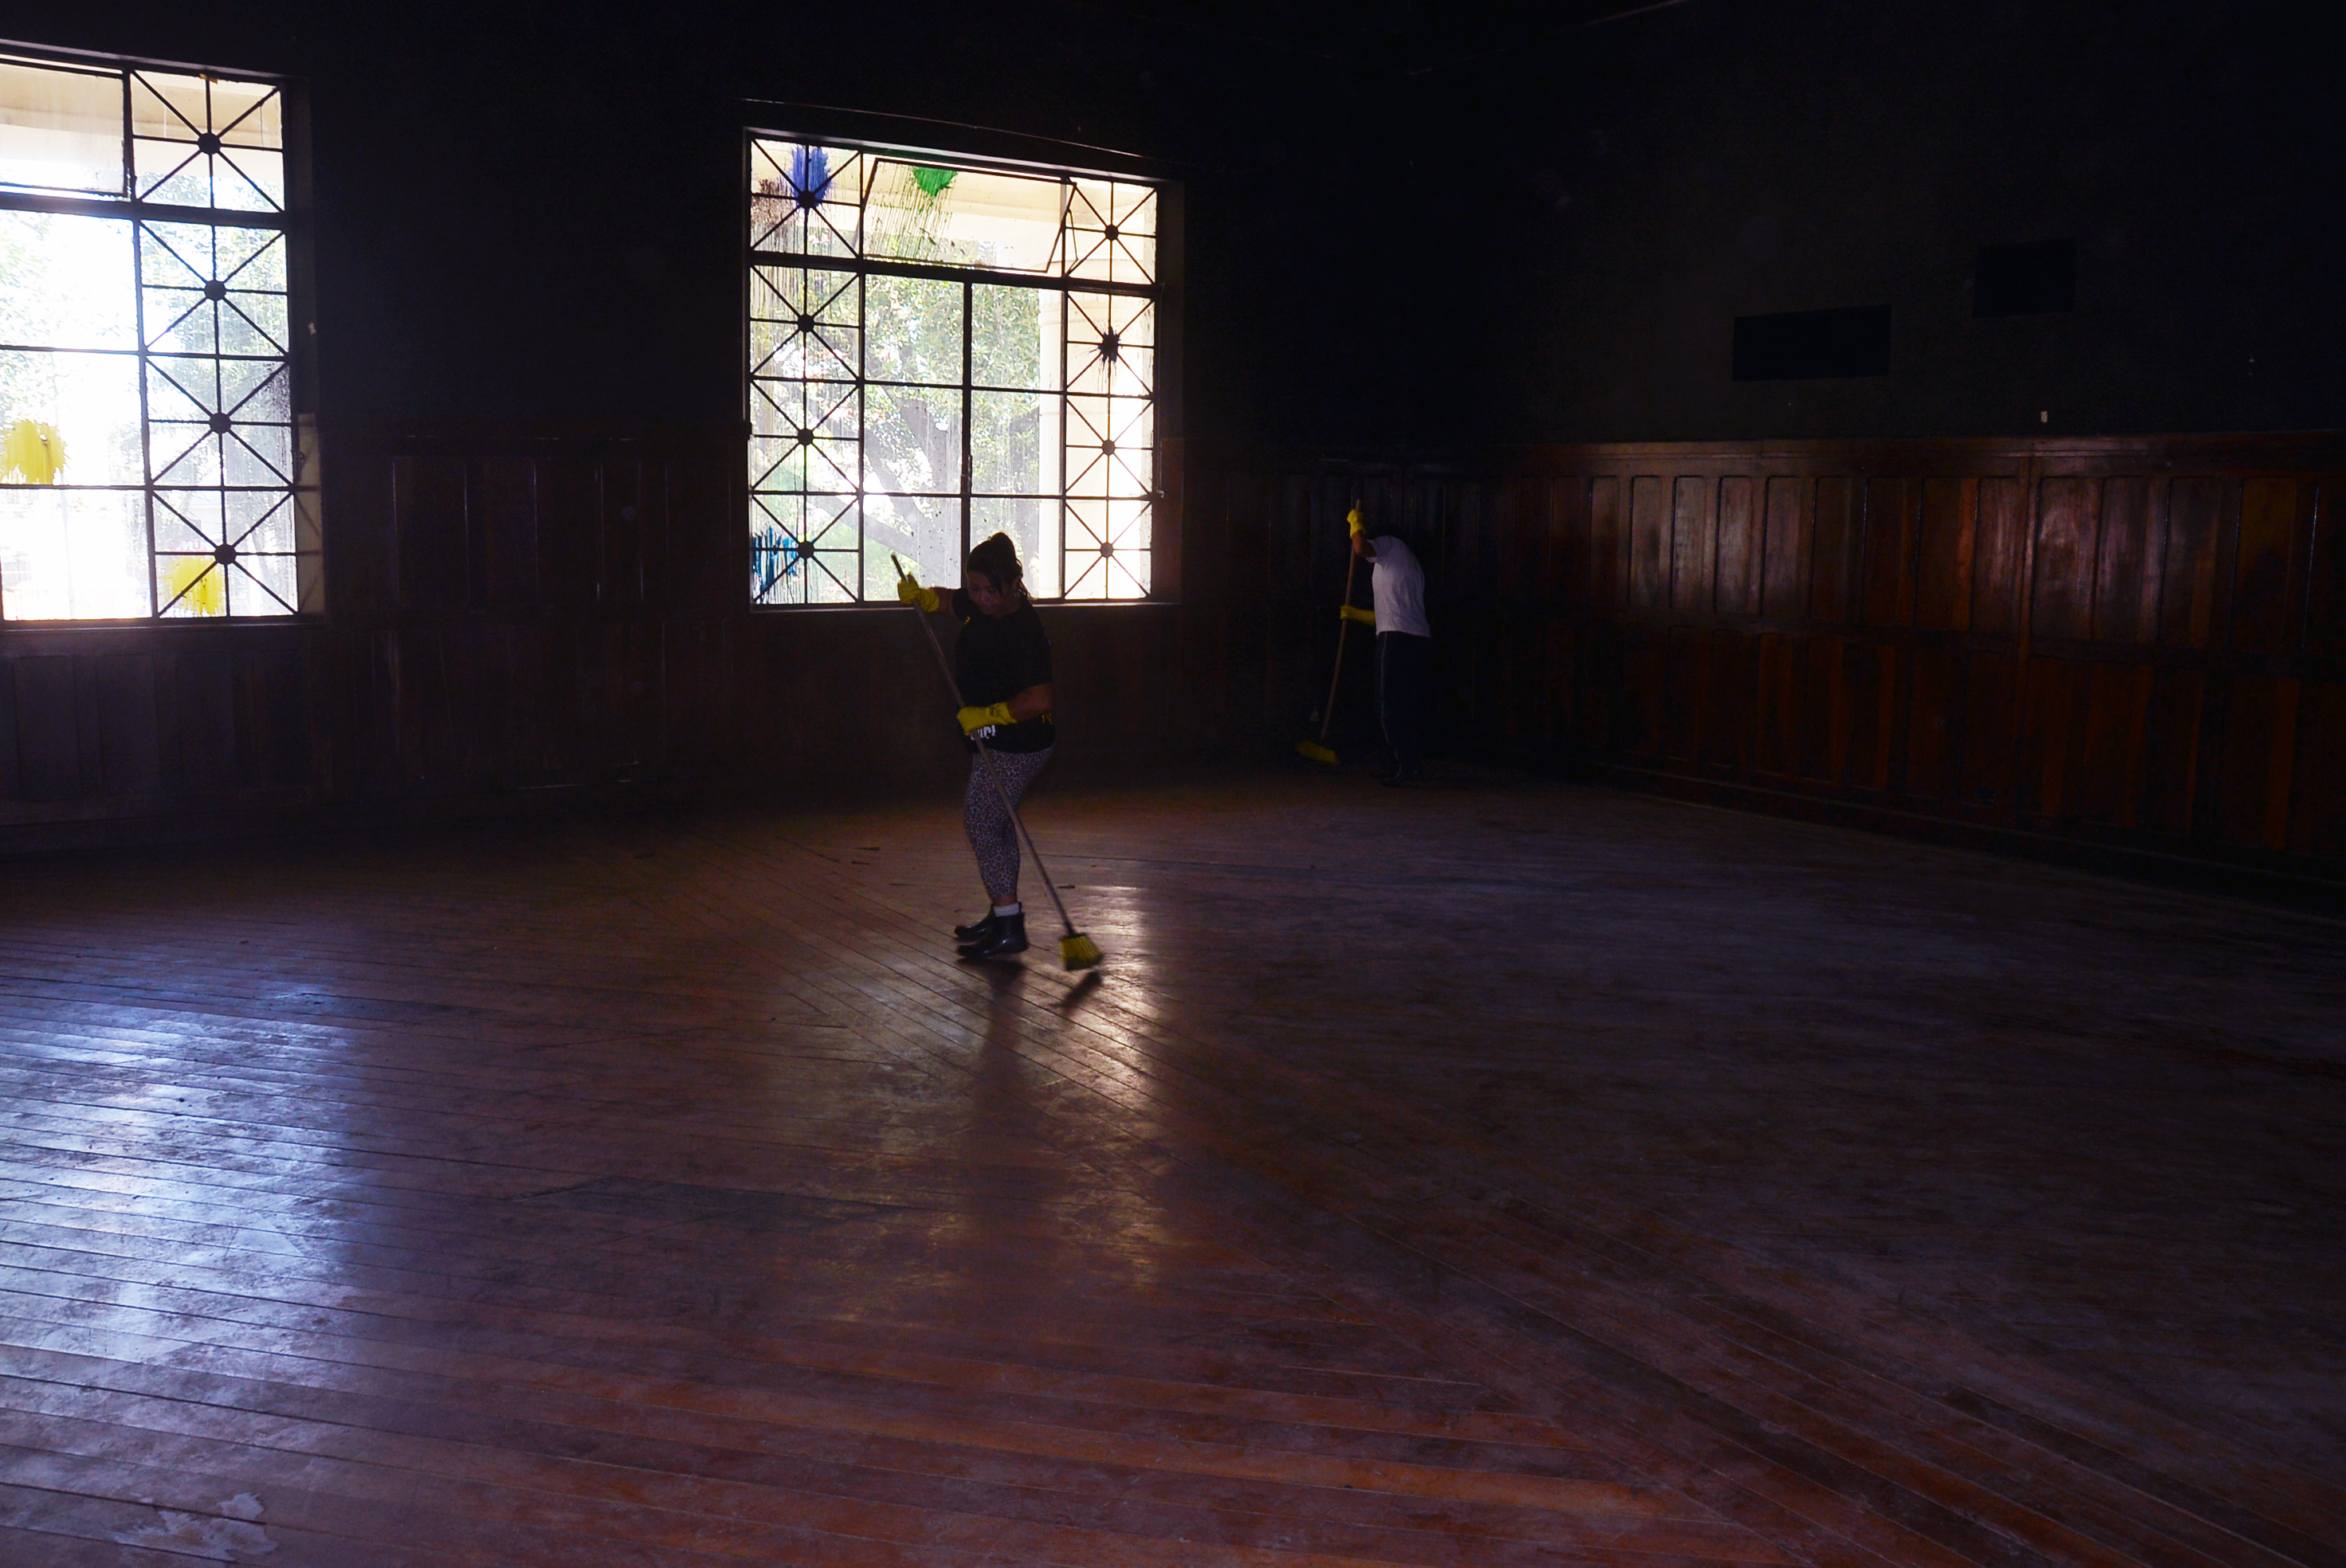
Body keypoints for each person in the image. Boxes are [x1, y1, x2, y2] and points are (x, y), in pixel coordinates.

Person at [896, 533, 1056, 958]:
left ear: (1013, 584)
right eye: (975, 587)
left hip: (1019, 743)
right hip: (991, 741)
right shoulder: (982, 605)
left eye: (991, 590)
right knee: (995, 825)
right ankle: (1003, 915)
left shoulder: (1025, 631)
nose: (982, 598)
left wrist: (989, 714)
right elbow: (955, 602)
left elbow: (1041, 699)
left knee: (983, 822)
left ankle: (1009, 928)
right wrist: (925, 597)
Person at [1345, 509, 1431, 784]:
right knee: (1405, 705)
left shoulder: (1389, 545)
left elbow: (1360, 548)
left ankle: (1401, 766)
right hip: (1416, 639)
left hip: (1395, 638)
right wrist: (1357, 615)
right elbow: (1396, 610)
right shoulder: (1409, 562)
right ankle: (1407, 765)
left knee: (1387, 703)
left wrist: (1355, 524)